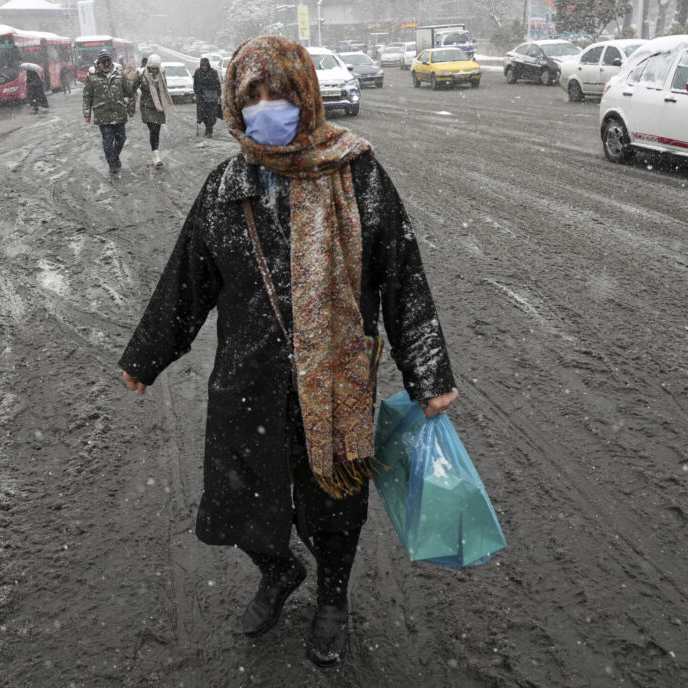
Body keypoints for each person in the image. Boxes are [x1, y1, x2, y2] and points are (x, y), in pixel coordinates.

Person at [119, 36, 458, 667]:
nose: (266, 109)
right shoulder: (226, 187)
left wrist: (428, 371)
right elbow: (186, 282)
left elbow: (402, 275)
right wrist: (146, 356)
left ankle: (332, 598)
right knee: (238, 498)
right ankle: (278, 572)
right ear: (235, 105)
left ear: (305, 97)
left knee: (334, 502)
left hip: (333, 382)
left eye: (279, 95)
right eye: (252, 97)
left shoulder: (359, 174)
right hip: (247, 380)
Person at [82, 49, 134, 175]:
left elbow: (130, 93)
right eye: (103, 62)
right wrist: (87, 113)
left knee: (121, 139)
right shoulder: (92, 76)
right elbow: (87, 96)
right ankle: (112, 164)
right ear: (98, 63)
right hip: (102, 114)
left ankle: (115, 157)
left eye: (108, 61)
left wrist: (130, 108)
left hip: (119, 112)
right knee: (107, 140)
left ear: (111, 61)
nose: (106, 64)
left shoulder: (119, 73)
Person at [132, 54, 171, 168]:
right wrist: (129, 98)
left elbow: (164, 88)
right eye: (151, 68)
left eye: (155, 68)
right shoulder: (141, 75)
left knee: (156, 130)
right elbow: (133, 88)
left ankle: (155, 152)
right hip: (147, 106)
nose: (153, 70)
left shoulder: (162, 74)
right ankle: (156, 154)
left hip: (159, 107)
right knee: (153, 129)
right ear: (148, 66)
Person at [193, 56, 221, 137]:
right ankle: (208, 129)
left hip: (212, 97)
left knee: (212, 115)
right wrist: (196, 94)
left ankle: (209, 129)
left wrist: (219, 94)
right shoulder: (197, 72)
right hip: (201, 97)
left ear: (208, 65)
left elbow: (218, 84)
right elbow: (195, 85)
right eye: (203, 66)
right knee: (204, 114)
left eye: (206, 66)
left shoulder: (213, 72)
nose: (204, 67)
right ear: (201, 65)